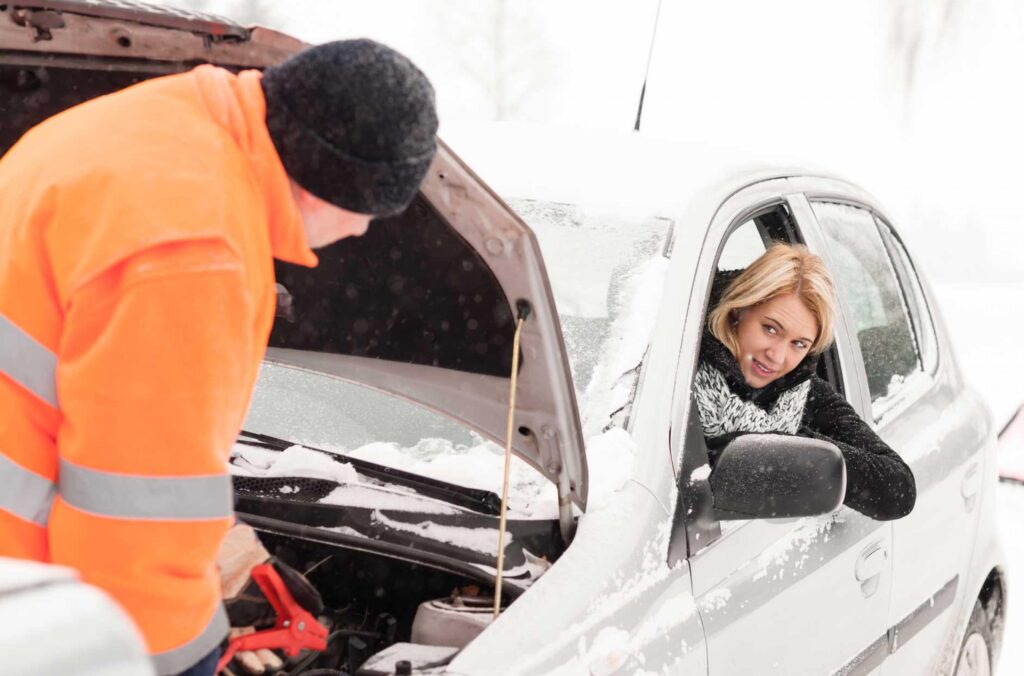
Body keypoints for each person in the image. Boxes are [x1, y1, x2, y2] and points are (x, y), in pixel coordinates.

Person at [0, 39, 438, 675]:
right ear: (329, 181)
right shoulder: (196, 248)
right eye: (369, 210)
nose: (362, 232)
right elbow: (131, 514)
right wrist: (176, 654)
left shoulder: (149, 126)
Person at [695, 243, 917, 520]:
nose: (777, 357)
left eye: (798, 344)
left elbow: (897, 489)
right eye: (771, 328)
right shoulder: (677, 369)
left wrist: (790, 446)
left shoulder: (800, 394)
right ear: (740, 309)